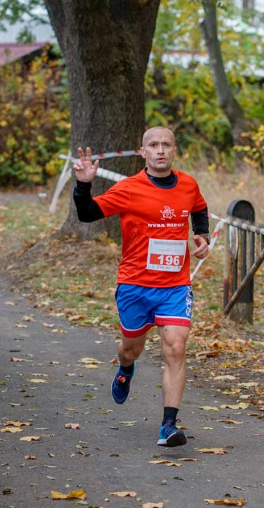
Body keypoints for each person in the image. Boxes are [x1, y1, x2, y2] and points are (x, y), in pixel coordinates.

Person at [72, 127, 210, 447]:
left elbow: (199, 207)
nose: (160, 150)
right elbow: (87, 213)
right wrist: (83, 184)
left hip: (175, 285)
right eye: (153, 145)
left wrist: (200, 235)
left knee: (176, 346)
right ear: (142, 152)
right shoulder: (130, 188)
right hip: (135, 284)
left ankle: (169, 425)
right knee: (131, 348)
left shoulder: (188, 184)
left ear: (174, 150)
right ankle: (125, 368)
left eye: (166, 144)